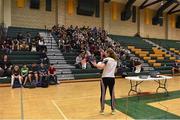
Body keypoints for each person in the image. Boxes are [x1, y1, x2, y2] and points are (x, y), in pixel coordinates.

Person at [92, 48, 117, 115]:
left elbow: (101, 66)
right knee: (112, 94)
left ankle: (102, 110)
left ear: (108, 53)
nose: (104, 53)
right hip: (112, 78)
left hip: (105, 78)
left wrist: (95, 65)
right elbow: (115, 71)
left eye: (105, 52)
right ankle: (113, 110)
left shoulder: (106, 59)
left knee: (103, 94)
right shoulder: (115, 61)